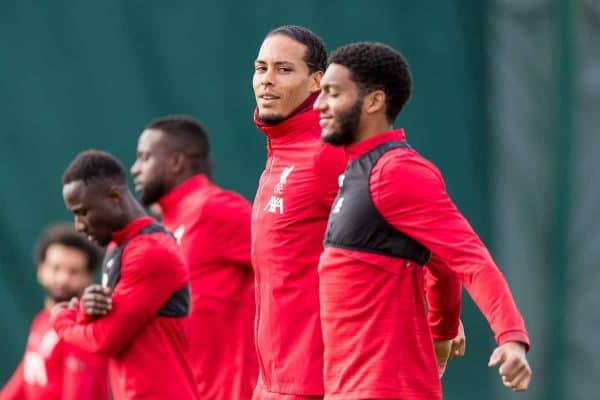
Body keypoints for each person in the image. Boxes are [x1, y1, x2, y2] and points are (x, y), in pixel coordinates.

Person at [315, 42, 532, 399]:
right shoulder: (357, 171)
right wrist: (442, 331)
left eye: (333, 93)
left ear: (373, 102)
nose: (320, 105)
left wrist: (511, 337)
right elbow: (441, 266)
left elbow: (469, 259)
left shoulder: (396, 172)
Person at [51, 150, 198, 399]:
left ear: (113, 197)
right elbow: (110, 321)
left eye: (83, 212)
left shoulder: (151, 252)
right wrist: (86, 310)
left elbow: (104, 339)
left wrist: (61, 319)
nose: (78, 225)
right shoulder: (116, 247)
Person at [250, 25, 348, 399]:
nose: (267, 81)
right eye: (261, 68)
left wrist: (442, 322)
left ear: (316, 83)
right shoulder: (281, 150)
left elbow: (399, 228)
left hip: (316, 384)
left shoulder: (327, 151)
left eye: (283, 69)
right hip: (271, 383)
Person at [130, 115, 257, 399]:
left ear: (176, 162)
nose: (135, 169)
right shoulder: (164, 227)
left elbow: (292, 265)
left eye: (145, 158)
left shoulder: (214, 208)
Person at [0, 224, 108, 400]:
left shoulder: (82, 329)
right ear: (41, 269)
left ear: (88, 277)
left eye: (74, 271)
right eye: (56, 268)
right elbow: (26, 376)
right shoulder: (42, 320)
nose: (63, 279)